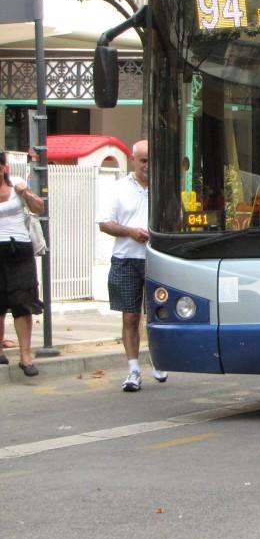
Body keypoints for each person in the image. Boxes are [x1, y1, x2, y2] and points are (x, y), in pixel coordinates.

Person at [96, 140, 167, 392]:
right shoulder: (118, 189)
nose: (147, 165)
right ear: (133, 160)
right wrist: (130, 232)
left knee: (157, 314)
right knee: (130, 316)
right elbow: (104, 223)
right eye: (143, 160)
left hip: (157, 258)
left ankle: (158, 360)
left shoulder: (163, 186)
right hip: (126, 258)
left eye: (151, 160)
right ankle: (133, 369)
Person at [0, 151, 44, 376]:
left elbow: (39, 208)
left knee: (22, 302)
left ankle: (25, 357)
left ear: (4, 168)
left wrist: (24, 192)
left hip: (20, 250)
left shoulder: (17, 185)